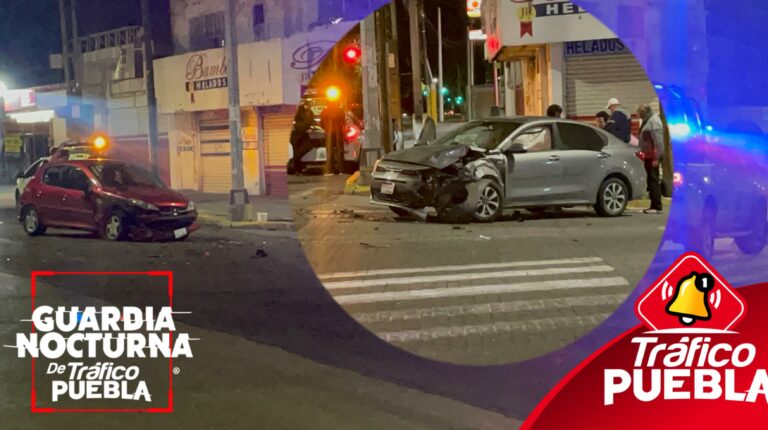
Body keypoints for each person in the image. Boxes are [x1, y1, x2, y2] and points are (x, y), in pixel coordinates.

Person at [637, 104, 665, 214]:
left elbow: (658, 142)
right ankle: (653, 205)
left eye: (639, 112)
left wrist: (657, 158)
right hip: (648, 156)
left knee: (654, 180)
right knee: (651, 180)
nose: (638, 115)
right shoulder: (648, 120)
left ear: (644, 111)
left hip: (652, 157)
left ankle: (656, 206)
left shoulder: (654, 121)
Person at [320, 100, 346, 175]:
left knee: (329, 151)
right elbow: (343, 121)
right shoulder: (340, 111)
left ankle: (330, 170)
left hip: (328, 133)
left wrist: (326, 128)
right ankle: (341, 170)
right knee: (339, 151)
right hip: (338, 133)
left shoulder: (324, 112)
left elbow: (321, 123)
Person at [289, 101, 315, 174]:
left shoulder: (310, 112)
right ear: (305, 105)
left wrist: (312, 127)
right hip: (297, 133)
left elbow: (312, 121)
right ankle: (298, 168)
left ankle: (296, 160)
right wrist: (305, 126)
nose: (310, 107)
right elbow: (295, 121)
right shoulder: (299, 111)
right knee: (296, 150)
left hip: (304, 133)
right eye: (309, 106)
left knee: (308, 146)